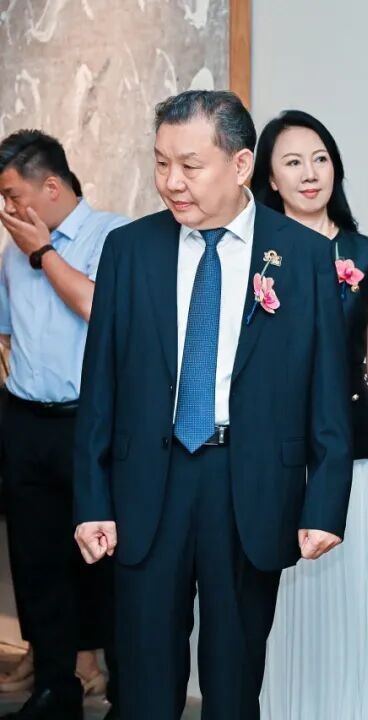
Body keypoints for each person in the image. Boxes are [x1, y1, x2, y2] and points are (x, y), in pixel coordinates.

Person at [73, 90, 353, 720]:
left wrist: (325, 504)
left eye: (189, 165)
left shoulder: (304, 256)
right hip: (149, 482)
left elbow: (327, 391)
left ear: (241, 164)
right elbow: (101, 387)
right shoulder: (129, 250)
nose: (171, 182)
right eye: (161, 162)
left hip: (248, 485)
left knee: (233, 686)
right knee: (143, 687)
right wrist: (91, 500)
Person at [252, 110, 368, 719]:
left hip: (352, 459)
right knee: (274, 614)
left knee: (349, 607)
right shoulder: (254, 254)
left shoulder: (366, 255)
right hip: (270, 458)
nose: (310, 173)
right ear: (269, 177)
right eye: (292, 162)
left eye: (320, 159)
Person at [0, 130, 125, 720]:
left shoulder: (112, 237)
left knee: (106, 563)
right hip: (25, 422)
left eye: (12, 195)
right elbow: (7, 335)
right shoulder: (11, 254)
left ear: (51, 186)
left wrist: (44, 253)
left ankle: (126, 687)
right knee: (37, 561)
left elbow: (101, 310)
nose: (6, 209)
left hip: (89, 424)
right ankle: (56, 688)